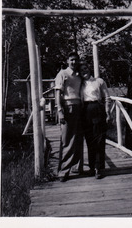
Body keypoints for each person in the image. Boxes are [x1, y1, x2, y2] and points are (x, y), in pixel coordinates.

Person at [55, 52, 83, 182]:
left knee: (77, 138)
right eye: (71, 60)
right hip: (68, 107)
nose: (74, 62)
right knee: (67, 140)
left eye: (76, 60)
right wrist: (60, 111)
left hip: (79, 108)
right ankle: (63, 171)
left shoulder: (79, 75)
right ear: (67, 61)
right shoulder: (62, 74)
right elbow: (58, 94)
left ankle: (76, 167)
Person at [79, 62, 111, 179]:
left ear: (90, 69)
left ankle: (98, 168)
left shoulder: (99, 81)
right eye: (82, 70)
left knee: (99, 139)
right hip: (85, 111)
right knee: (89, 140)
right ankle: (92, 167)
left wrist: (108, 112)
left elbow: (107, 97)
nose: (84, 71)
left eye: (86, 68)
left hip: (97, 109)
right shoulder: (80, 83)